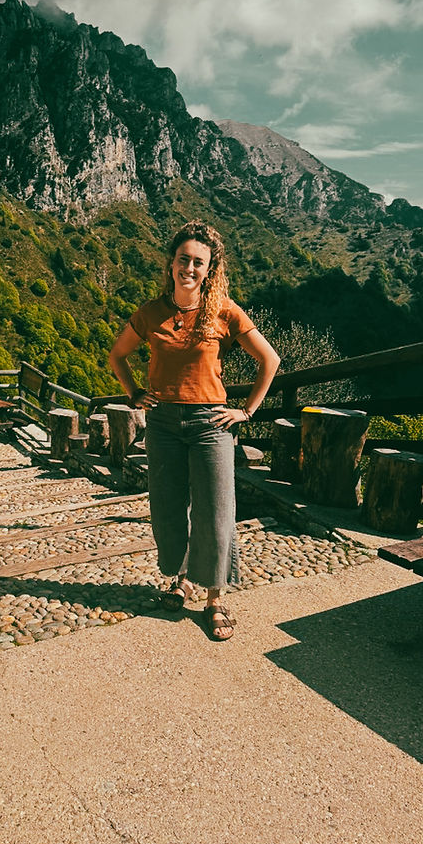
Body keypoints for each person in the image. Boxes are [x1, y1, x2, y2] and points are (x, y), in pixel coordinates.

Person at [108, 220, 280, 641]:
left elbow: (269, 360)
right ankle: (183, 578)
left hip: (211, 424)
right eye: (183, 259)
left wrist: (247, 411)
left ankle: (215, 598)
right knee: (169, 507)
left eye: (198, 262)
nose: (189, 267)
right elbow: (117, 355)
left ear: (209, 269)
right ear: (171, 264)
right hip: (163, 423)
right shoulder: (150, 312)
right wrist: (134, 393)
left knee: (216, 513)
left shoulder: (223, 310)